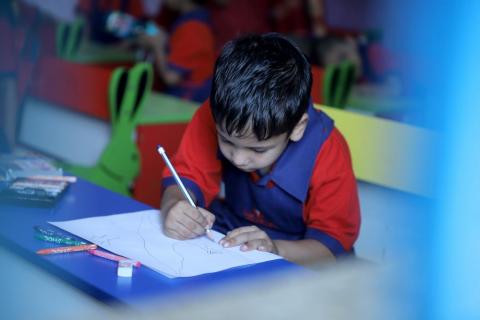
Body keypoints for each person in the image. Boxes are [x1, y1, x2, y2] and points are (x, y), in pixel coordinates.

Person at [160, 33, 360, 265]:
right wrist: (174, 207)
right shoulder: (218, 114)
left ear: (298, 128)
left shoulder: (326, 148)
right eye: (226, 141)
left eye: (258, 150)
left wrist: (274, 249)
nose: (239, 159)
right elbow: (185, 178)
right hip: (234, 234)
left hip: (300, 253)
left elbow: (330, 246)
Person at [138, 0, 216, 102]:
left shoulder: (192, 28)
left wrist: (157, 46)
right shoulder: (196, 20)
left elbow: (171, 78)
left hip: (189, 99)